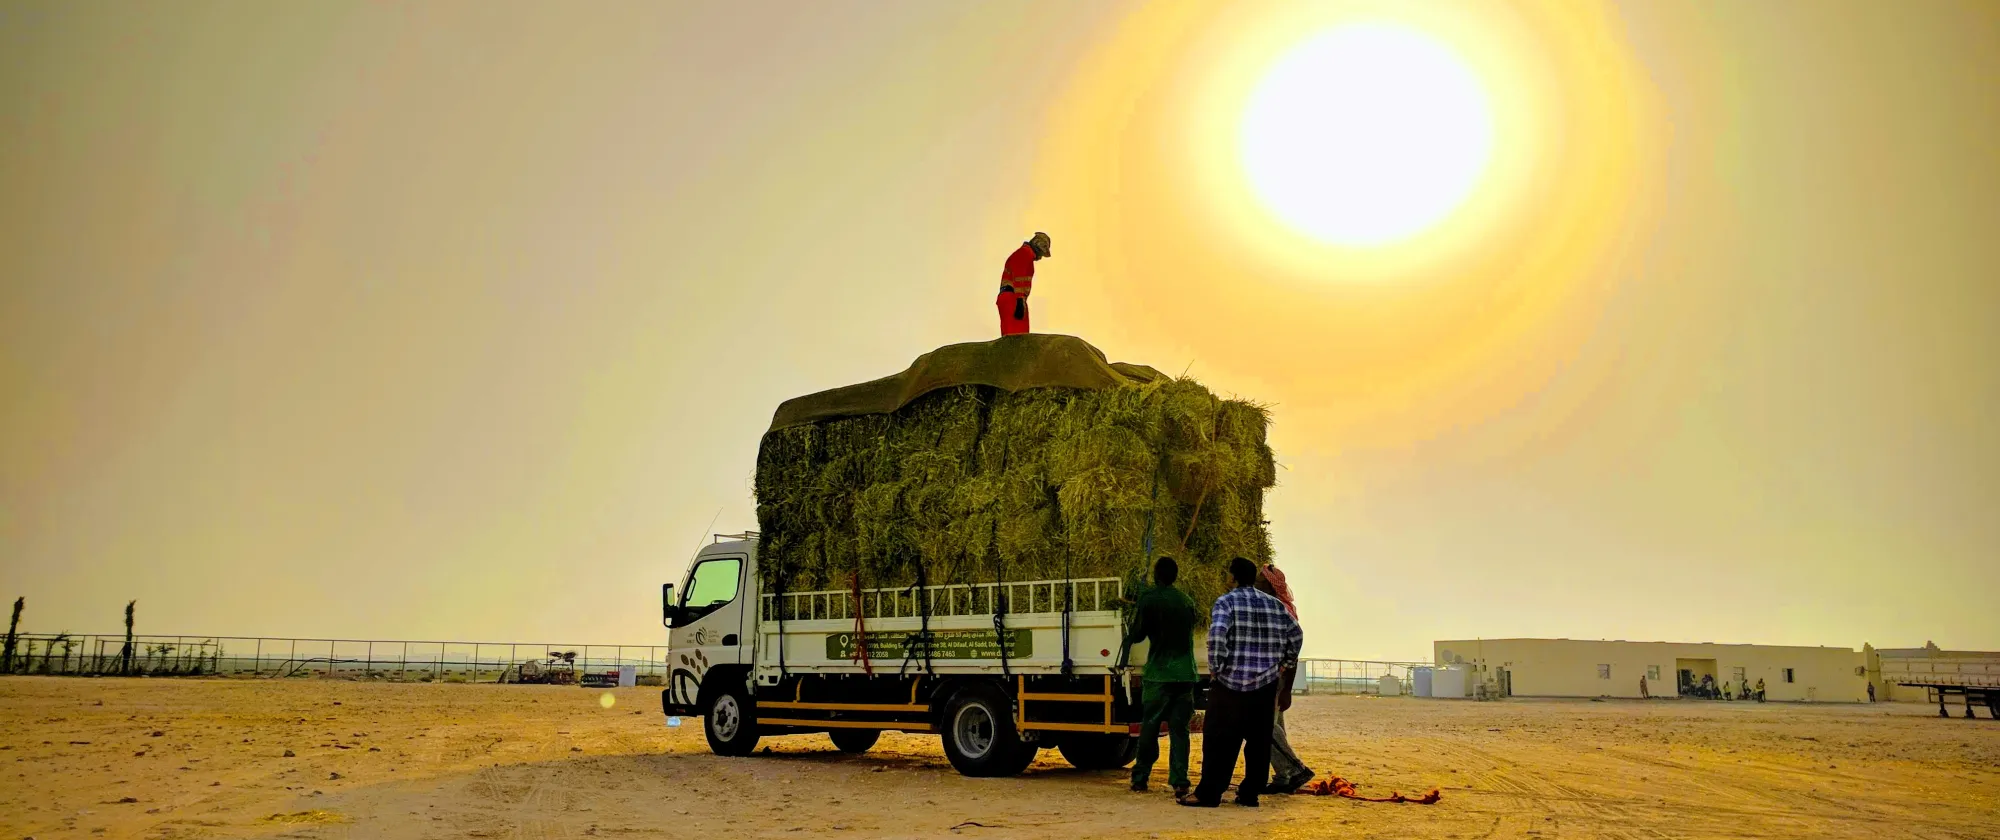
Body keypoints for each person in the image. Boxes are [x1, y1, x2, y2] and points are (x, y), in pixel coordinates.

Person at [1180, 558, 1302, 809]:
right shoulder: (1275, 605)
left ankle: (1210, 794)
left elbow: (1217, 639)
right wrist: (1285, 663)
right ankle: (1250, 794)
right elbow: (1296, 635)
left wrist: (1217, 670)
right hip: (1265, 686)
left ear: (1233, 578)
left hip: (1229, 686)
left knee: (1218, 741)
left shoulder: (1225, 602)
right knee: (1258, 743)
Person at [1123, 556, 1198, 797]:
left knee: (1150, 726)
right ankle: (1180, 780)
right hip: (1186, 673)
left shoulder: (1150, 599)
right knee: (1180, 730)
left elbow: (1139, 633)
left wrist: (1126, 638)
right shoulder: (1187, 601)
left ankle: (1141, 777)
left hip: (1160, 673)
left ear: (1156, 575)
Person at [1255, 564, 1314, 795]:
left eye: (1260, 582)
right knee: (1276, 726)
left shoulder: (1280, 611)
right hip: (1276, 675)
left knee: (1264, 726)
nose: (1256, 585)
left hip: (1275, 675)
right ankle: (1283, 777)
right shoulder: (1280, 607)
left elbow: (1293, 649)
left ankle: (1295, 768)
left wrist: (1287, 688)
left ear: (1269, 585)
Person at [997, 232, 1050, 336]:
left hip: (1011, 296)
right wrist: (1020, 300)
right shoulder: (1025, 254)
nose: (1040, 257)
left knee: (1015, 334)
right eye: (1042, 253)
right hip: (1013, 297)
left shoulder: (1024, 253)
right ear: (1038, 247)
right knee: (1017, 336)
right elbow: (1019, 276)